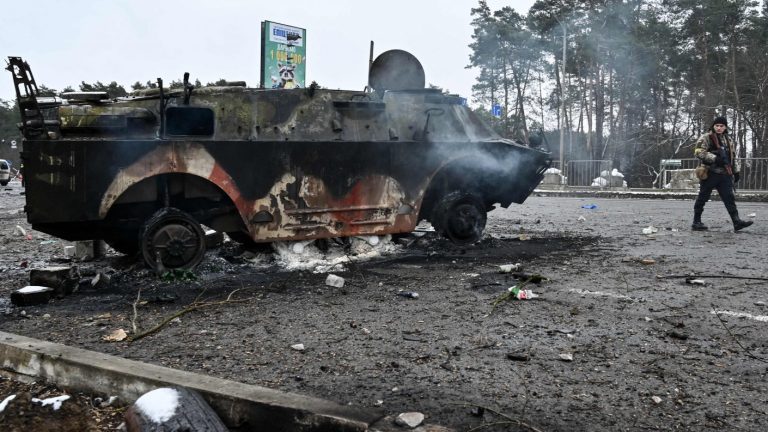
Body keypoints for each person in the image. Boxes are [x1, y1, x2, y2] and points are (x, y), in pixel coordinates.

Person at [692, 116, 753, 232]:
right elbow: (698, 152)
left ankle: (737, 222)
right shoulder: (707, 137)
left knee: (729, 198)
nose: (719, 128)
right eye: (717, 126)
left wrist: (736, 171)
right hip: (709, 172)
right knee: (703, 197)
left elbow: (733, 156)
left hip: (724, 174)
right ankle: (696, 221)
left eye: (722, 126)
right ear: (713, 126)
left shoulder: (728, 139)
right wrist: (714, 158)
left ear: (725, 127)